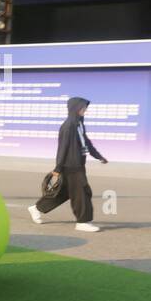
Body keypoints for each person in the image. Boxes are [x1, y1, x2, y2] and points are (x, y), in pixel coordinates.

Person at [29, 96, 108, 233]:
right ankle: (82, 222)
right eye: (82, 108)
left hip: (78, 165)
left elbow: (86, 142)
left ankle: (37, 208)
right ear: (75, 109)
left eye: (85, 108)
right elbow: (63, 147)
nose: (85, 110)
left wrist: (98, 156)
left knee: (64, 193)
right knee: (82, 192)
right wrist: (58, 168)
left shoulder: (79, 124)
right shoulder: (68, 126)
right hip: (70, 166)